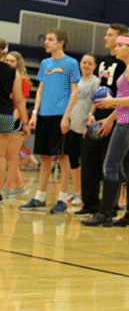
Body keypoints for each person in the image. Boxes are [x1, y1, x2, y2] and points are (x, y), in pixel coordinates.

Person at [81, 32, 129, 227]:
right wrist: (111, 115)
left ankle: (104, 214)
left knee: (110, 166)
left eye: (121, 45)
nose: (116, 48)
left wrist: (110, 101)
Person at [20, 29, 80, 214]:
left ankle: (62, 199)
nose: (46, 42)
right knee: (44, 158)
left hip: (60, 116)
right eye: (46, 39)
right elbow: (40, 89)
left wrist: (66, 116)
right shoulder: (45, 63)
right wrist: (35, 113)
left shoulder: (71, 63)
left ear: (61, 42)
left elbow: (75, 91)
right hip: (44, 114)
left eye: (50, 39)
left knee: (62, 157)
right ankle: (40, 197)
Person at [75, 23, 129, 217]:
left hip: (115, 120)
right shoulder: (103, 62)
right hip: (96, 119)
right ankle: (90, 204)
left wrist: (111, 118)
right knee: (88, 160)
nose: (105, 38)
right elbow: (98, 91)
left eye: (109, 35)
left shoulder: (126, 63)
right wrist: (91, 114)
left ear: (120, 39)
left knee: (110, 165)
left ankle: (110, 208)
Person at [65, 54, 99, 209]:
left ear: (94, 66)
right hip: (72, 124)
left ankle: (85, 194)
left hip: (84, 127)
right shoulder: (75, 81)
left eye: (90, 63)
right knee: (73, 159)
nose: (86, 65)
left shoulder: (95, 81)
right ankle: (77, 191)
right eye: (84, 62)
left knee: (85, 162)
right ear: (80, 64)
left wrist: (88, 124)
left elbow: (95, 103)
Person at [0, 41, 31, 199]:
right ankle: (16, 186)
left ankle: (8, 187)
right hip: (6, 115)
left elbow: (21, 102)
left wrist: (20, 121)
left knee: (10, 156)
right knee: (6, 156)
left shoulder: (22, 79)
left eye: (13, 61)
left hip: (13, 118)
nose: (10, 63)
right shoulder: (12, 74)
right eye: (8, 60)